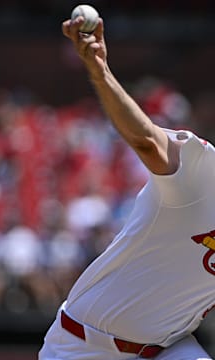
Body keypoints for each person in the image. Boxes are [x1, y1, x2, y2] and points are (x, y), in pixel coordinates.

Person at [38, 13, 215, 360]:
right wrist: (100, 72)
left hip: (170, 348)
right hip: (84, 346)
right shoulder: (204, 172)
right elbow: (147, 139)